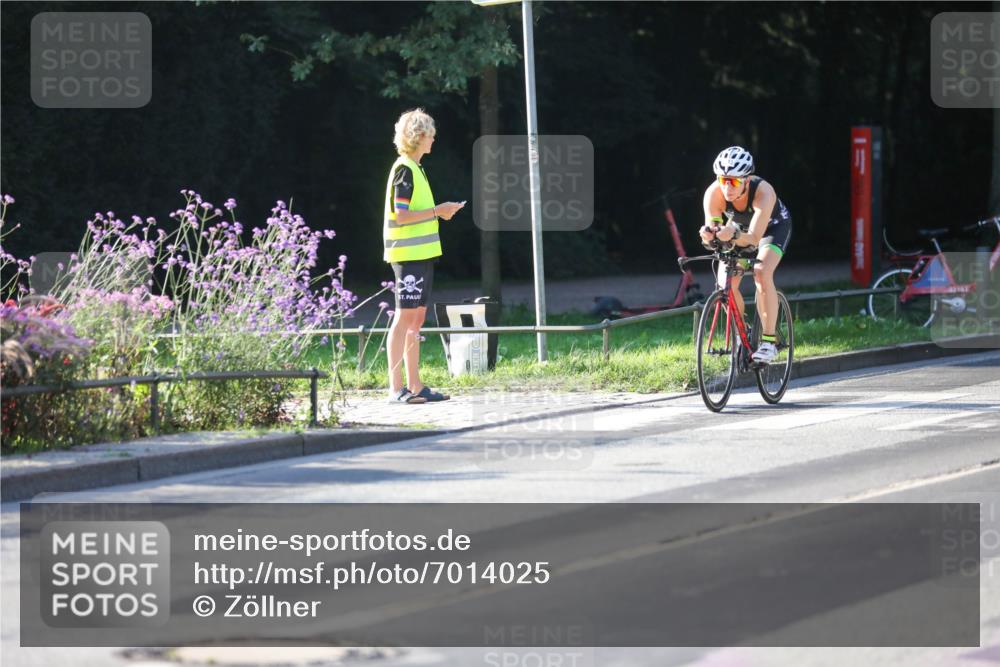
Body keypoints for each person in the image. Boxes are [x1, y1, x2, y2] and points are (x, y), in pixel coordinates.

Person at [383, 108, 465, 403]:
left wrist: (440, 213)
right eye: (430, 134)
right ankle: (395, 389)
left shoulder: (416, 168)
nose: (434, 139)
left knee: (416, 321)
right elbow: (401, 216)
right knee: (404, 319)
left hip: (422, 256)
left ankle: (415, 386)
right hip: (407, 257)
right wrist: (437, 211)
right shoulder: (404, 169)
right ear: (418, 137)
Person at [699, 146, 792, 364]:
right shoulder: (713, 194)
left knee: (761, 271)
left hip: (771, 229)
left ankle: (769, 342)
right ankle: (743, 332)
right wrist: (708, 234)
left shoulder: (764, 192)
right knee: (724, 285)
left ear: (747, 180)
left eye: (734, 181)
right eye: (723, 180)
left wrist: (731, 233)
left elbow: (753, 237)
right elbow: (712, 229)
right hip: (738, 230)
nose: (727, 187)